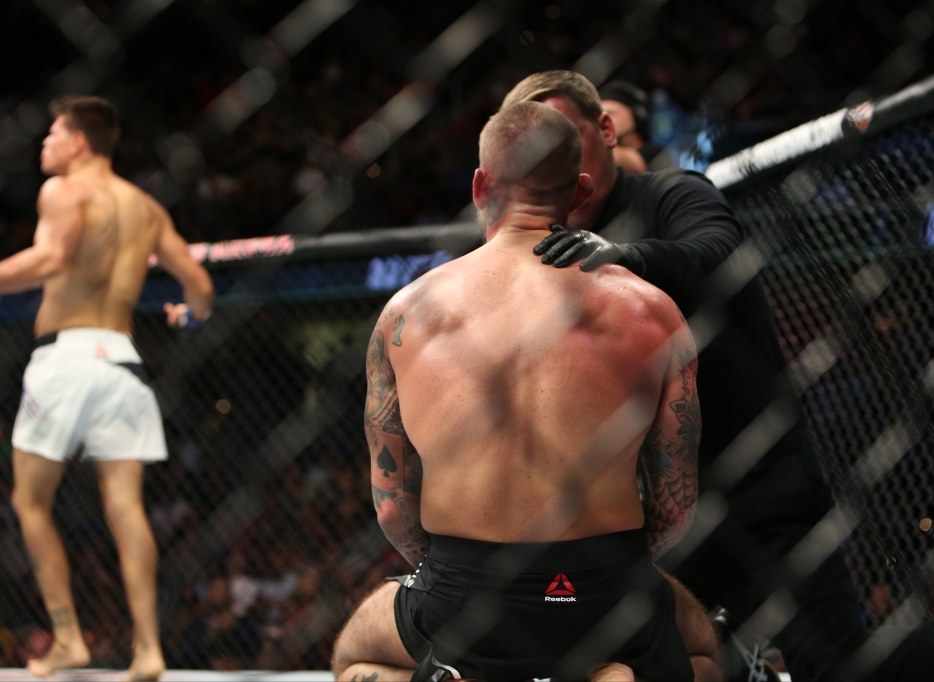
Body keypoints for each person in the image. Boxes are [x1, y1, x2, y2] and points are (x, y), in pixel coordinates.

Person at [501, 70, 934, 681]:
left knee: (835, 665)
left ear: (604, 130)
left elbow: (718, 250)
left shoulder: (673, 194)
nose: (560, 160)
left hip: (761, 488)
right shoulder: (536, 247)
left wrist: (630, 257)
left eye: (568, 138)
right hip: (657, 517)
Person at [331, 102, 716, 682]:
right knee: (705, 652)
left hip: (466, 589)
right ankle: (606, 670)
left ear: (481, 185)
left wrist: (448, 573)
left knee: (355, 652)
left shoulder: (407, 313)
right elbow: (676, 503)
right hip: (606, 584)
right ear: (581, 189)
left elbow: (391, 504)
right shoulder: (652, 309)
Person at [0, 95, 214, 680]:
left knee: (30, 501)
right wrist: (190, 316)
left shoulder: (64, 191)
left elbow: (49, 258)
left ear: (80, 142)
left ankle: (68, 639)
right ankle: (148, 649)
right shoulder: (146, 207)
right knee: (125, 505)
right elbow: (199, 283)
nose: (44, 144)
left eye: (52, 133)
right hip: (123, 363)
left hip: (67, 358)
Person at [597, 81, 674, 175]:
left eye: (610, 113)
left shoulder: (654, 154)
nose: (602, 121)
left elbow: (634, 164)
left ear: (636, 115)